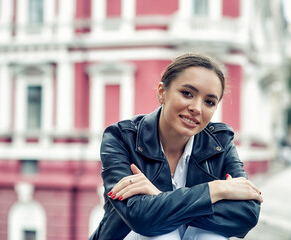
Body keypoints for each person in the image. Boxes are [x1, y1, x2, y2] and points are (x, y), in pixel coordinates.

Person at [89, 53, 262, 240]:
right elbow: (140, 218)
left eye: (209, 102)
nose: (197, 108)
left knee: (211, 236)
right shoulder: (121, 137)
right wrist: (217, 189)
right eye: (187, 93)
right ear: (162, 92)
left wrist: (159, 197)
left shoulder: (219, 142)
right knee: (161, 234)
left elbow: (247, 214)